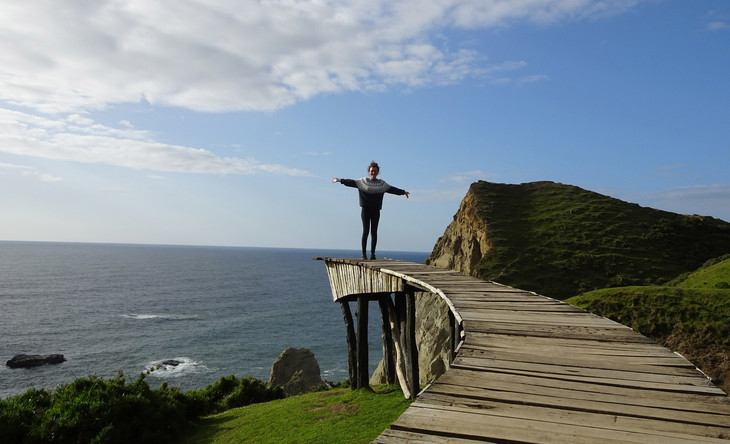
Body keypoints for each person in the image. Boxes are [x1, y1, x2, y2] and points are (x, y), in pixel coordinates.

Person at [333, 161, 410, 260]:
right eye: (371, 171)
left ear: (377, 172)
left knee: (374, 232)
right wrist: (340, 180)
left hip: (376, 211)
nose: (373, 172)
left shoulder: (382, 184)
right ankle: (363, 254)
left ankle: (372, 254)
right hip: (365, 210)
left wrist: (403, 192)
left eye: (375, 171)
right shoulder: (362, 182)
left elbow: (392, 189)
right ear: (369, 172)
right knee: (365, 231)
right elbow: (351, 182)